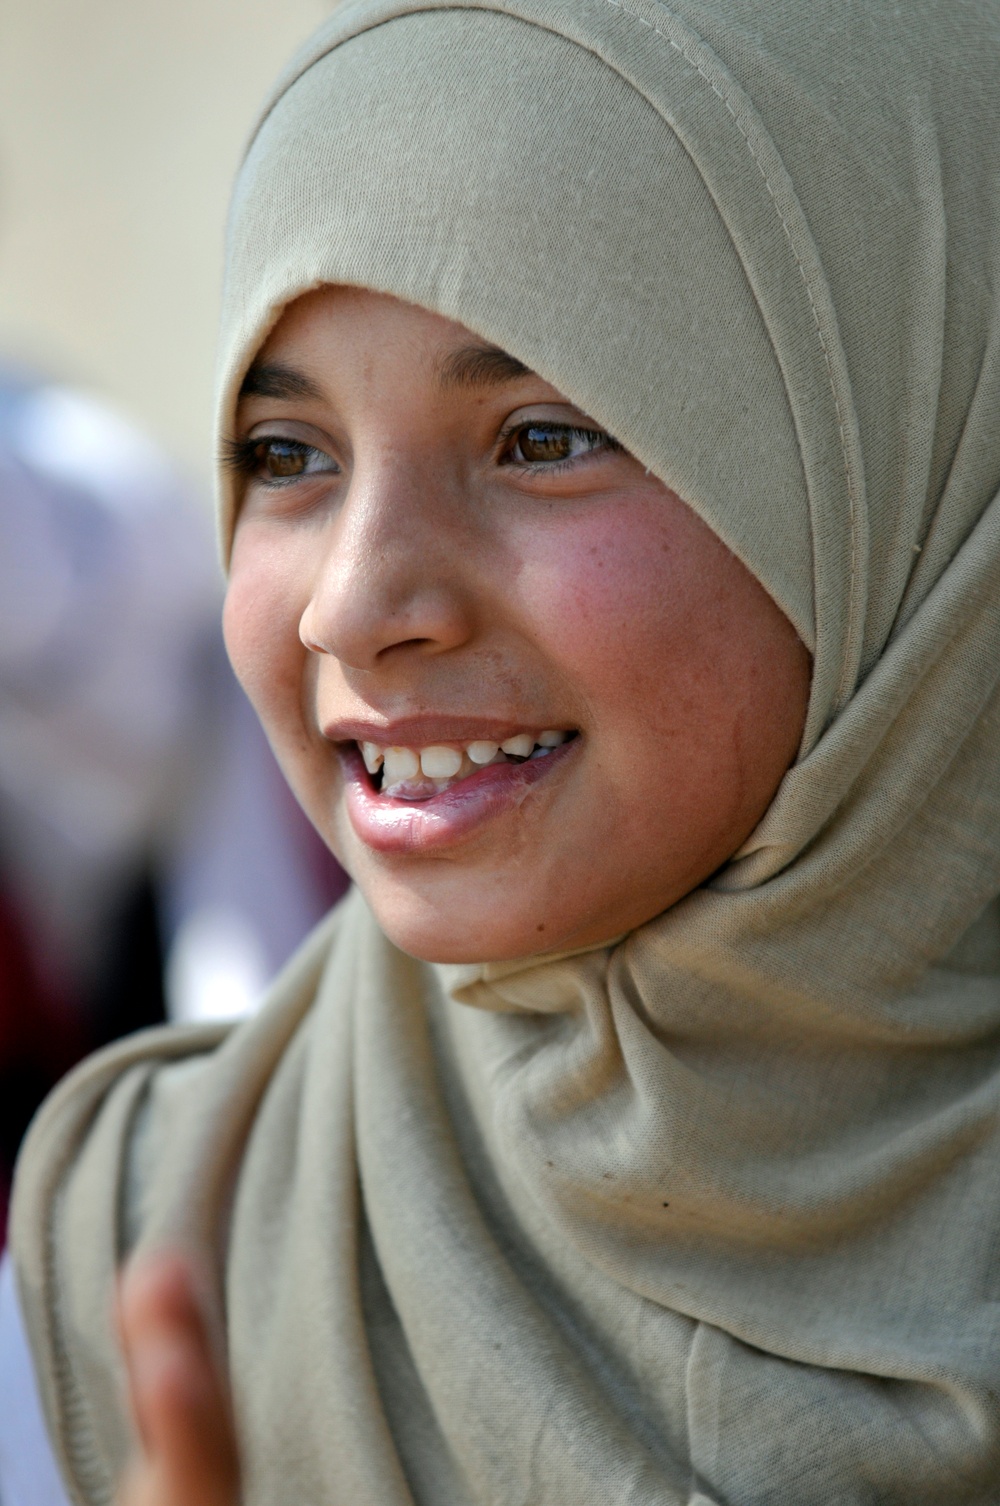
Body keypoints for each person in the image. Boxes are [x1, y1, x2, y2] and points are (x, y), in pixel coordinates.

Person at [5, 0, 1000, 1501]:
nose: (354, 603)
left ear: (914, 469)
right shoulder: (128, 1302)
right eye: (288, 456)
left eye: (543, 436)